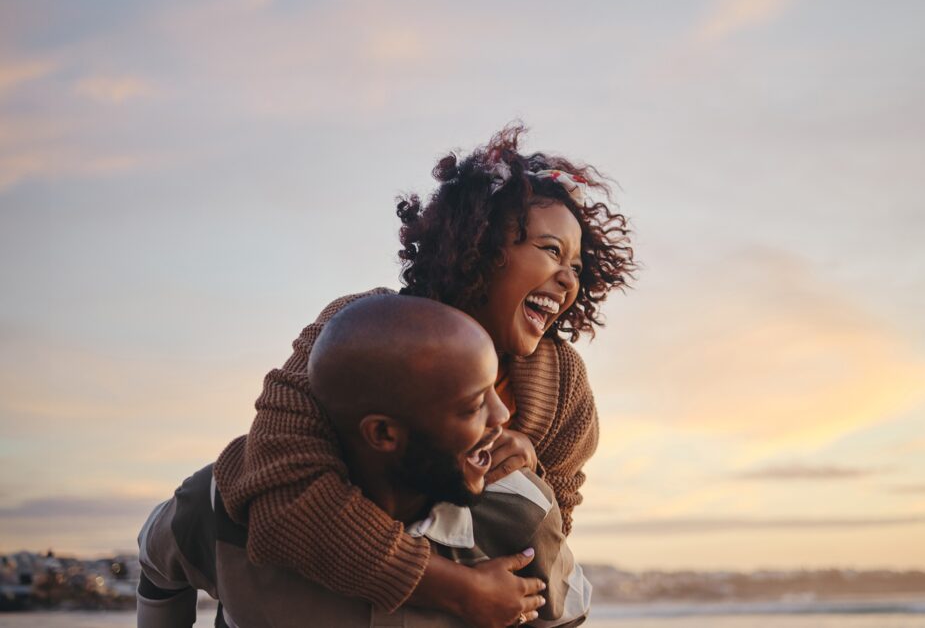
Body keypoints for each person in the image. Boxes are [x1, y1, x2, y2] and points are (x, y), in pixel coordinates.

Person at [213, 125, 636, 628]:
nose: (569, 278)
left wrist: (532, 476)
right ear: (479, 245)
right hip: (307, 595)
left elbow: (549, 540)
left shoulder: (563, 384)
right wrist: (457, 590)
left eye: (577, 265)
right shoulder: (359, 330)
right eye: (549, 250)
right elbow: (283, 497)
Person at [137, 296, 590, 627]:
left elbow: (565, 616)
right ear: (383, 433)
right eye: (474, 406)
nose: (504, 416)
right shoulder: (224, 503)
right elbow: (157, 565)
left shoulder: (520, 512)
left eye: (497, 388)